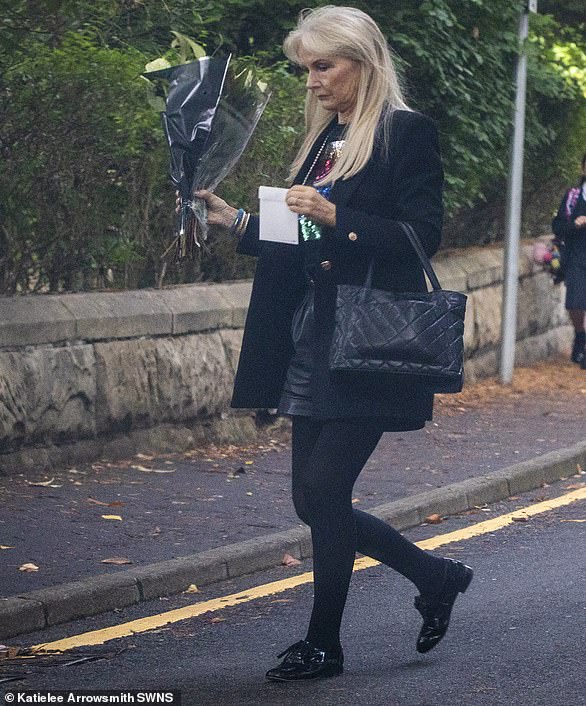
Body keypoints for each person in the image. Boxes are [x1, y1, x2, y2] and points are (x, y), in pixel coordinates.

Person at [191, 5, 473, 682]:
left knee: (322, 486)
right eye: (305, 69)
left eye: (325, 65)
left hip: (369, 340)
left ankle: (325, 644)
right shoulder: (326, 142)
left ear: (364, 62)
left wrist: (337, 216)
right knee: (311, 501)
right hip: (312, 338)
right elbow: (305, 238)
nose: (313, 80)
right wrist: (241, 223)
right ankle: (434, 576)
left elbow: (420, 236)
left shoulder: (405, 132)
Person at [552, 154, 586, 368]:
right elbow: (557, 227)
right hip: (576, 257)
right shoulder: (573, 196)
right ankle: (580, 336)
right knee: (575, 302)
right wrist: (574, 224)